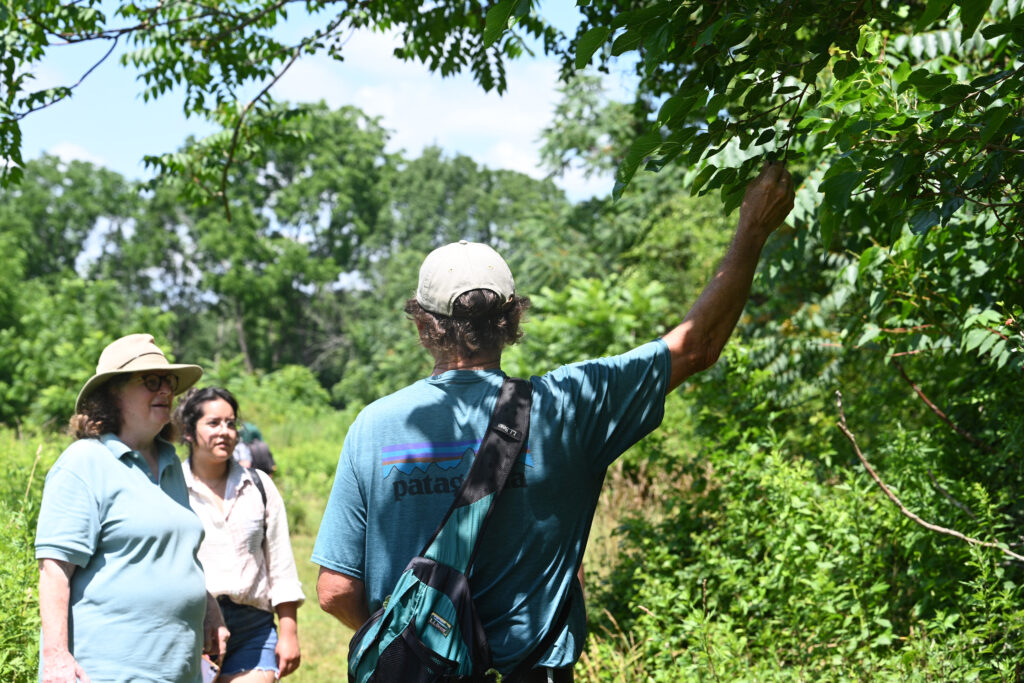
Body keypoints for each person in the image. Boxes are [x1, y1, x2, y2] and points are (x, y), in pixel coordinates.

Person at [312, 163, 795, 680]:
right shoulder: (570, 405)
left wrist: (414, 645)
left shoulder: (373, 426)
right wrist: (752, 228)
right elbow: (696, 346)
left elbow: (336, 590)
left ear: (424, 326)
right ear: (513, 318)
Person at [35, 333, 230, 683]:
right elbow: (54, 571)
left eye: (169, 382)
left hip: (178, 670)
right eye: (150, 381)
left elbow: (171, 553)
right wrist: (56, 658)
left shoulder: (170, 464)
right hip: (107, 670)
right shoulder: (84, 463)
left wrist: (208, 607)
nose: (166, 391)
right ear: (112, 393)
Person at [177, 387, 305, 682]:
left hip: (253, 628)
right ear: (187, 431)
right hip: (192, 627)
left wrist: (288, 632)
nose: (224, 431)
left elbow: (281, 564)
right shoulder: (171, 490)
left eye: (231, 423)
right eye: (213, 423)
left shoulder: (258, 486)